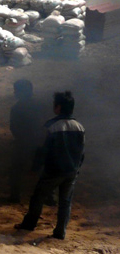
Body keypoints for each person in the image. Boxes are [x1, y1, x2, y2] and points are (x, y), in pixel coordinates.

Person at [15, 91, 85, 240]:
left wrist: (35, 168)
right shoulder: (79, 126)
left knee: (38, 197)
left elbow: (42, 150)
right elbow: (81, 151)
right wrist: (77, 168)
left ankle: (28, 225)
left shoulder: (51, 126)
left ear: (58, 107)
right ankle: (60, 233)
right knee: (65, 202)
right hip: (71, 171)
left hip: (53, 171)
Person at [8, 79, 45, 203]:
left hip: (23, 142)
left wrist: (19, 139)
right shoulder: (39, 105)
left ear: (21, 92)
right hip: (39, 141)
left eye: (16, 91)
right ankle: (49, 197)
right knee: (42, 170)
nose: (15, 93)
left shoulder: (17, 108)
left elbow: (14, 127)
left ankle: (15, 196)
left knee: (16, 170)